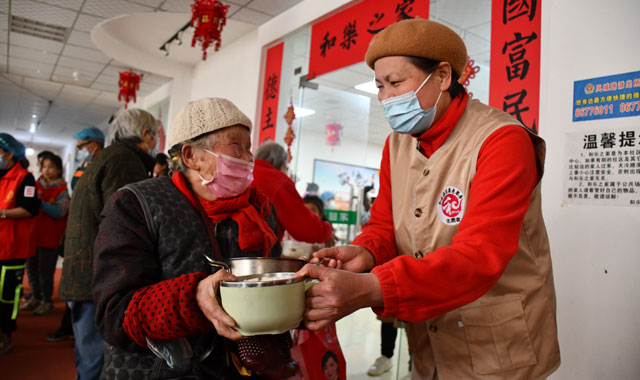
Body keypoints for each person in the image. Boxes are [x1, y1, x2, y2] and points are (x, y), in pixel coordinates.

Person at [298, 18, 560, 380]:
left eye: (395, 83)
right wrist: (368, 251)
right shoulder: (397, 145)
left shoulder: (502, 141)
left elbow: (480, 256)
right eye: (379, 86)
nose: (386, 98)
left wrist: (374, 287)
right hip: (429, 342)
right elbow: (385, 224)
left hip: (497, 349)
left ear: (442, 76)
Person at [92, 97, 296, 379]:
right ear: (190, 156)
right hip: (160, 371)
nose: (249, 158)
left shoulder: (259, 212)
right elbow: (114, 315)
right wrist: (193, 297)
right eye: (237, 147)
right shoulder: (135, 205)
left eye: (249, 149)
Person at [59, 109, 158, 379]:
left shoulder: (108, 157)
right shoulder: (125, 162)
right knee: (95, 360)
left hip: (82, 271)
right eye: (156, 134)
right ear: (146, 134)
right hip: (97, 278)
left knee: (87, 355)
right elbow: (122, 226)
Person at [0, 133, 40, 355]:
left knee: (6, 296)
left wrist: (3, 213)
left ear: (9, 153)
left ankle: (6, 333)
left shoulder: (24, 178)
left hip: (11, 249)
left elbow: (30, 209)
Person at [252, 142, 333, 244]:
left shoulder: (245, 172)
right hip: (257, 252)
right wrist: (326, 231)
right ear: (283, 166)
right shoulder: (278, 181)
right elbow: (305, 228)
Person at [21, 153, 69, 316]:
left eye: (51, 167)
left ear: (58, 170)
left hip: (50, 238)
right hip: (32, 235)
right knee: (31, 268)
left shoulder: (62, 190)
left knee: (45, 271)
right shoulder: (35, 185)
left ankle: (46, 301)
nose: (47, 170)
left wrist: (39, 203)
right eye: (44, 166)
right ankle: (34, 297)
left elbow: (60, 212)